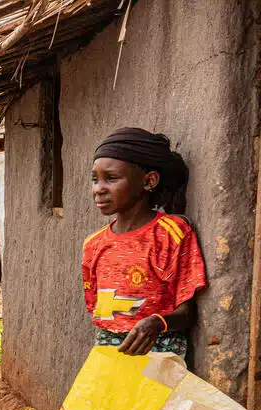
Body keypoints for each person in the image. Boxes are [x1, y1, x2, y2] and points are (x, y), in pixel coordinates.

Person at [83, 127, 206, 356]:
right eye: (95, 179)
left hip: (160, 350)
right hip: (107, 350)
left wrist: (156, 322)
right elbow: (95, 308)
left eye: (111, 179)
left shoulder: (172, 234)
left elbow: (187, 312)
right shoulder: (93, 244)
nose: (99, 189)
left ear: (149, 181)